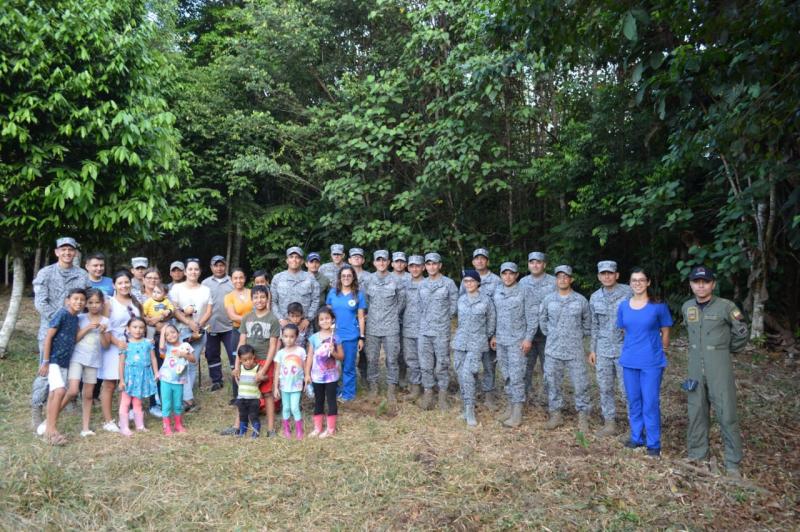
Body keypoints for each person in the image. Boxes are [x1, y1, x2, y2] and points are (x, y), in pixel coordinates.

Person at [681, 266, 749, 477]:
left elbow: (741, 333)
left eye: (705, 281)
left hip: (719, 367)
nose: (701, 286)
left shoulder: (726, 307)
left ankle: (732, 463)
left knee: (726, 413)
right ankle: (698, 456)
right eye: (696, 281)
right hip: (694, 368)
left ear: (713, 284)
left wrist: (723, 350)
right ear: (691, 284)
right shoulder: (687, 307)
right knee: (696, 411)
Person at [30, 237, 89, 431]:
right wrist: (59, 318)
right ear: (56, 252)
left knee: (69, 367)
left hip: (73, 330)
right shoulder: (46, 273)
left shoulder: (82, 275)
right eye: (63, 249)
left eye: (71, 250)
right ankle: (37, 407)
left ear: (75, 253)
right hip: (51, 329)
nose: (67, 253)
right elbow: (40, 302)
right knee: (45, 370)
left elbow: (84, 301)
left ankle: (69, 402)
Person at [617, 267, 673, 457]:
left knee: (650, 402)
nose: (638, 283)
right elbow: (625, 330)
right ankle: (636, 437)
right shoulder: (624, 306)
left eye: (641, 280)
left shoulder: (658, 306)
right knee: (634, 401)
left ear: (648, 282)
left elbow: (666, 331)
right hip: (629, 360)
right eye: (634, 280)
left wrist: (662, 349)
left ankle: (653, 443)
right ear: (630, 283)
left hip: (651, 362)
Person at [540, 265, 592, 432]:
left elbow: (587, 324)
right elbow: (543, 321)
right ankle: (556, 414)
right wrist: (555, 335)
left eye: (566, 277)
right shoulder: (548, 299)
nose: (562, 280)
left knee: (581, 384)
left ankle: (583, 416)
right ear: (556, 279)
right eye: (559, 277)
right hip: (553, 350)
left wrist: (574, 336)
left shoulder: (581, 300)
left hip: (574, 351)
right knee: (552, 383)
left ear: (571, 279)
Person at [36, 288, 87, 445]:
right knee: (59, 391)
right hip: (53, 360)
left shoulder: (75, 319)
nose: (78, 302)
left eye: (81, 300)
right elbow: (49, 337)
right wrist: (45, 361)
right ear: (68, 300)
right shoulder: (62, 313)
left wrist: (89, 328)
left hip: (65, 361)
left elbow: (74, 339)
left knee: (54, 393)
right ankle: (51, 431)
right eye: (75, 299)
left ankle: (48, 429)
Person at [589, 260, 633, 437]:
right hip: (603, 349)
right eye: (603, 273)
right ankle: (609, 423)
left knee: (627, 389)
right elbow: (594, 326)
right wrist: (592, 350)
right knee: (605, 387)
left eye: (610, 273)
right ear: (599, 276)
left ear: (617, 275)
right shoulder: (594, 297)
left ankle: (634, 425)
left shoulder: (628, 293)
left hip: (625, 348)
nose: (606, 276)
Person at [491, 262, 537, 428]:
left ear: (517, 275)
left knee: (517, 376)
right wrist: (494, 335)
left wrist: (528, 338)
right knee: (506, 375)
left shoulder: (525, 291)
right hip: (501, 340)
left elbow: (532, 318)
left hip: (518, 341)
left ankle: (517, 413)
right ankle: (510, 406)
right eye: (504, 273)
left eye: (511, 273)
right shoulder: (498, 290)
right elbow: (495, 315)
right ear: (501, 275)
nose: (508, 277)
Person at [62, 288, 110, 437]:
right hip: (77, 358)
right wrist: (88, 328)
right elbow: (74, 339)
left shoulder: (106, 321)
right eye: (90, 302)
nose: (94, 305)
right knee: (73, 390)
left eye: (97, 302)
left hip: (93, 360)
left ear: (102, 303)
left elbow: (106, 345)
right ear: (86, 304)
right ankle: (50, 419)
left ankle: (85, 428)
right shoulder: (80, 318)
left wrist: (102, 332)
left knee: (88, 394)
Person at [99, 270, 142, 433]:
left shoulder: (136, 302)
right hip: (113, 345)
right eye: (120, 283)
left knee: (129, 381)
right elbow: (105, 326)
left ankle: (125, 413)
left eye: (126, 282)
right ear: (114, 285)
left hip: (132, 346)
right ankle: (108, 420)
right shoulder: (109, 304)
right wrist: (118, 343)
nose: (124, 285)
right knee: (110, 382)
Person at [235, 285, 280, 436]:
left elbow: (273, 346)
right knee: (243, 394)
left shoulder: (273, 319)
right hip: (247, 362)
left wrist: (264, 369)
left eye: (262, 297)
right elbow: (241, 342)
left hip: (264, 361)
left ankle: (270, 429)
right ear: (251, 299)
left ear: (267, 299)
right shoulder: (247, 318)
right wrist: (237, 366)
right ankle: (237, 427)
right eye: (256, 297)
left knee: (267, 395)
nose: (259, 300)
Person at [460, 248, 502, 410]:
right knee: (470, 365)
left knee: (489, 365)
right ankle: (471, 393)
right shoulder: (467, 279)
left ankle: (489, 396)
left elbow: (499, 309)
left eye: (483, 258)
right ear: (473, 261)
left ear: (487, 261)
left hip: (489, 331)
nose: (479, 261)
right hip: (471, 333)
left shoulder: (496, 281)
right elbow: (461, 302)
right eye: (476, 258)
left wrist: (494, 335)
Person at [453, 270, 496, 427]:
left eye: (472, 281)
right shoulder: (461, 300)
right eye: (466, 281)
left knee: (468, 374)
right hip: (460, 342)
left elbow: (491, 322)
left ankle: (470, 410)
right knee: (459, 373)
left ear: (478, 282)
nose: (469, 284)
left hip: (477, 342)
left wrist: (486, 336)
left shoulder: (486, 301)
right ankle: (465, 408)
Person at [169, 258, 212, 413]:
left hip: (199, 331)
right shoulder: (177, 288)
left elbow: (208, 310)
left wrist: (198, 325)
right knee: (181, 363)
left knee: (193, 363)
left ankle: (186, 396)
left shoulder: (205, 289)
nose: (193, 272)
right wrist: (189, 323)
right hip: (180, 330)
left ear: (200, 271)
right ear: (185, 271)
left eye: (196, 269)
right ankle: (186, 399)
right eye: (190, 269)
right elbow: (174, 309)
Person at [417, 252, 458, 411]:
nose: (432, 267)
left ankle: (442, 395)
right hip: (424, 330)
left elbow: (454, 305)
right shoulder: (422, 284)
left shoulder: (448, 283)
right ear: (425, 266)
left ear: (440, 265)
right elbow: (419, 305)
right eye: (428, 264)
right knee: (425, 364)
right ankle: (428, 393)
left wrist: (443, 318)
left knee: (442, 363)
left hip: (441, 330)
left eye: (435, 264)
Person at [363, 249, 406, 404]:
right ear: (374, 262)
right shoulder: (368, 280)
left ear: (388, 262)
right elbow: (366, 301)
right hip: (373, 326)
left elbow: (401, 301)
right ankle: (373, 387)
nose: (381, 263)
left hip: (391, 326)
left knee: (392, 359)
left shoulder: (397, 280)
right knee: (372, 358)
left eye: (384, 260)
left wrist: (393, 314)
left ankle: (391, 388)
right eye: (378, 260)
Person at [519, 251, 556, 404]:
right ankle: (524, 398)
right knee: (525, 367)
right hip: (527, 334)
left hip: (548, 334)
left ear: (544, 265)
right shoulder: (522, 282)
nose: (535, 265)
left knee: (549, 369)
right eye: (532, 262)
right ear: (528, 265)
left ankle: (549, 401)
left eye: (538, 262)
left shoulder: (554, 282)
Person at [325, 265, 366, 401]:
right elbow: (328, 316)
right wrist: (326, 333)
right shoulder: (332, 293)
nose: (346, 278)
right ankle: (335, 391)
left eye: (349, 275)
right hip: (334, 336)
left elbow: (361, 317)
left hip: (350, 336)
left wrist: (361, 337)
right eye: (343, 276)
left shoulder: (358, 295)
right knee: (333, 366)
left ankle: (348, 394)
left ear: (353, 277)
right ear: (339, 278)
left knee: (348, 366)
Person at [305, 306, 344, 437]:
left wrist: (333, 352)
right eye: (322, 319)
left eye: (327, 318)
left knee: (331, 400)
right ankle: (317, 428)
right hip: (316, 376)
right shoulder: (313, 338)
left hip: (331, 377)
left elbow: (341, 356)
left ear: (332, 320)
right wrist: (307, 374)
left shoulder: (336, 338)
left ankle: (331, 429)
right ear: (318, 321)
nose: (325, 321)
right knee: (318, 400)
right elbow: (309, 356)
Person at [117, 316, 158, 436]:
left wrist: (156, 372)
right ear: (128, 329)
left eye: (141, 327)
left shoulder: (148, 343)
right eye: (135, 327)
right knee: (125, 401)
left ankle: (140, 425)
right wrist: (121, 380)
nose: (138, 330)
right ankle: (124, 427)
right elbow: (121, 363)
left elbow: (153, 358)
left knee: (138, 401)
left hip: (142, 376)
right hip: (129, 377)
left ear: (145, 329)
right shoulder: (125, 344)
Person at [202, 255, 235, 392]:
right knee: (212, 354)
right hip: (211, 326)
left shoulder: (232, 281)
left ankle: (236, 378)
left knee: (233, 353)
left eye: (221, 265)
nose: (219, 268)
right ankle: (216, 380)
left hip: (230, 326)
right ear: (211, 267)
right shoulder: (205, 283)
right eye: (216, 265)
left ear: (225, 266)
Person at [271, 247, 321, 336]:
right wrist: (281, 319)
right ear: (287, 260)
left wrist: (308, 319)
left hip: (304, 327)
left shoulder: (310, 278)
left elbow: (316, 300)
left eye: (297, 257)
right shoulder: (278, 278)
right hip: (284, 327)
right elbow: (273, 301)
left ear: (302, 261)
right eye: (291, 257)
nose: (294, 260)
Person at [158, 323, 195, 435]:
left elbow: (193, 359)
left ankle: (178, 424)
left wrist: (185, 355)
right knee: (166, 404)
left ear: (178, 333)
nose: (171, 336)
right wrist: (162, 331)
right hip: (166, 380)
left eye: (173, 332)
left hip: (179, 381)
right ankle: (167, 426)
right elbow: (161, 347)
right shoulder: (167, 347)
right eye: (167, 335)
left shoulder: (185, 345)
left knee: (178, 404)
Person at [224, 268, 252, 402]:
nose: (238, 280)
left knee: (253, 360)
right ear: (231, 279)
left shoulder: (252, 293)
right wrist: (251, 319)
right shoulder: (229, 297)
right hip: (237, 331)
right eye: (235, 278)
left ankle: (253, 393)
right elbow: (232, 316)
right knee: (236, 361)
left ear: (245, 278)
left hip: (254, 332)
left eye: (241, 277)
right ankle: (237, 395)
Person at [274, 324, 306, 439]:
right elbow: (277, 371)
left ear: (296, 337)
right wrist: (276, 388)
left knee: (295, 407)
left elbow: (304, 367)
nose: (288, 339)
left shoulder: (301, 351)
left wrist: (306, 381)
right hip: (284, 386)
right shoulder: (280, 353)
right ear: (282, 337)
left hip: (296, 385)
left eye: (292, 336)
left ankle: (299, 430)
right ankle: (286, 429)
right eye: (286, 336)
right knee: (286, 408)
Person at [401, 255, 425, 400]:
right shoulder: (404, 284)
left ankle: (428, 386)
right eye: (412, 266)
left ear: (423, 267)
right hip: (408, 327)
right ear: (408, 268)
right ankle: (415, 388)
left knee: (426, 359)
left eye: (418, 266)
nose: (415, 269)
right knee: (411, 359)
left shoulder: (429, 284)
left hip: (425, 328)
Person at [234, 344, 262, 437]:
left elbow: (264, 377)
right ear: (240, 360)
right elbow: (234, 374)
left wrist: (261, 377)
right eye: (245, 360)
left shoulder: (258, 368)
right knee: (242, 415)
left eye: (250, 359)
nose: (248, 362)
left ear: (253, 356)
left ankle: (256, 431)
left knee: (253, 415)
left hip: (254, 398)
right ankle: (243, 431)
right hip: (241, 397)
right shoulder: (240, 368)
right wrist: (234, 372)